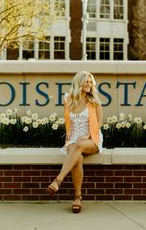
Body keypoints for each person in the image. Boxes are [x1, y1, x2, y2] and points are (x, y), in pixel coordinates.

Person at [46, 71, 103, 213]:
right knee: (77, 156)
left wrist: (88, 135)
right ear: (79, 83)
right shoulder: (68, 100)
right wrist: (72, 139)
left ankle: (58, 180)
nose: (89, 84)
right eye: (86, 81)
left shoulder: (94, 101)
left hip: (91, 138)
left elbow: (99, 123)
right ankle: (77, 197)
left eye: (91, 82)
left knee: (78, 146)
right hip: (73, 138)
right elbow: (68, 123)